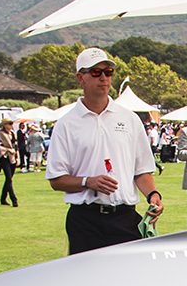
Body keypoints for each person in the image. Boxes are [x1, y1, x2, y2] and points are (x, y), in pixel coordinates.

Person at [46, 47, 161, 254]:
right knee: (87, 283)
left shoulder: (129, 119)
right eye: (96, 72)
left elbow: (142, 170)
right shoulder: (66, 124)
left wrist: (153, 194)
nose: (104, 78)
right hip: (85, 220)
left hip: (125, 218)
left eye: (108, 73)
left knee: (129, 281)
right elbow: (56, 179)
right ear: (80, 77)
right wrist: (87, 181)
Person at [0, 117, 18, 207]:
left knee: (9, 179)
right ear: (4, 125)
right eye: (9, 123)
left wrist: (17, 156)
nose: (11, 125)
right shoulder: (0, 134)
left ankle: (3, 198)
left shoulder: (13, 133)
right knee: (8, 178)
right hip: (4, 157)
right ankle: (14, 199)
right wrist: (8, 150)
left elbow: (15, 145)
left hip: (12, 157)